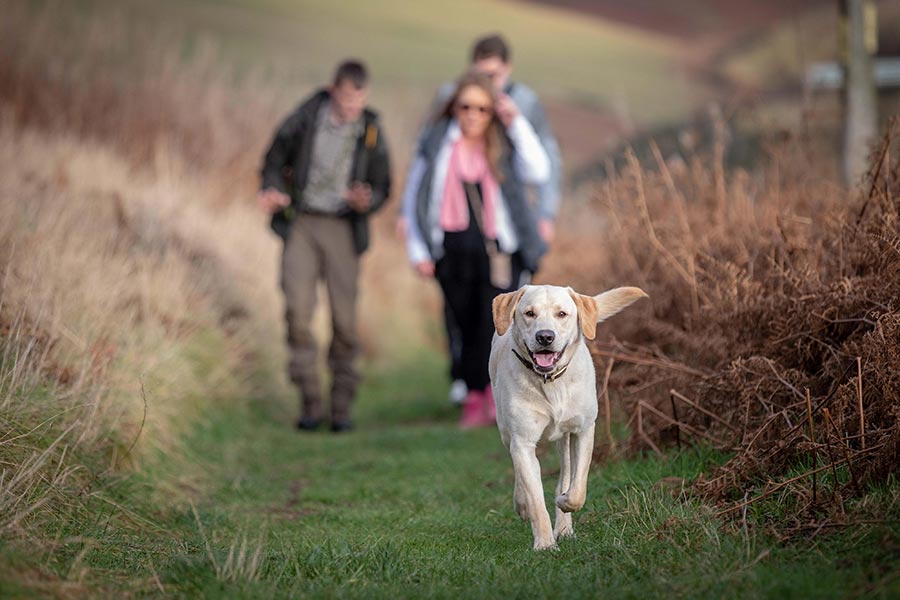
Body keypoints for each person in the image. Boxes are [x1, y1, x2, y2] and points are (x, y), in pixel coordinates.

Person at [399, 33, 562, 406]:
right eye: (466, 107)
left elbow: (540, 170)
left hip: (498, 248)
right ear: (455, 105)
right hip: (451, 247)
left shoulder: (506, 133)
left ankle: (494, 396)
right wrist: (416, 245)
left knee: (494, 325)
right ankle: (472, 392)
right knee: (462, 321)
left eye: (481, 109)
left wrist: (515, 122)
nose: (473, 115)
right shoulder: (440, 138)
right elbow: (417, 189)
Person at [257, 60, 391, 433]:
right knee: (298, 312)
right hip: (301, 223)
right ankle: (310, 402)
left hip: (343, 229)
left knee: (345, 322)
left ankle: (342, 407)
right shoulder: (305, 116)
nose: (352, 109)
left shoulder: (371, 129)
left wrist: (368, 200)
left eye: (359, 101)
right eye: (347, 100)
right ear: (335, 90)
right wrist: (273, 190)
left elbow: (384, 184)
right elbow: (272, 159)